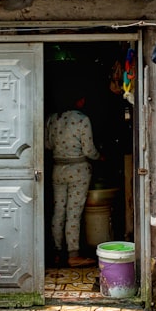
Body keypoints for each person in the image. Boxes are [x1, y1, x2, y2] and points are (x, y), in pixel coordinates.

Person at [45, 92, 100, 268]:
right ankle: (73, 255)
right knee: (73, 212)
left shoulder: (52, 119)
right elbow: (89, 150)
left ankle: (56, 252)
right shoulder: (82, 119)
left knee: (58, 211)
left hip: (57, 170)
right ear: (79, 99)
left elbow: (47, 145)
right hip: (78, 171)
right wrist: (101, 157)